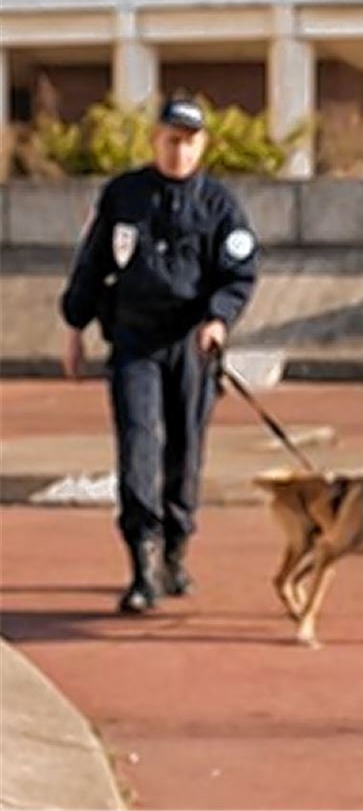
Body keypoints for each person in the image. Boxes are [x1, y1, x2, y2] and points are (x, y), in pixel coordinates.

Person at [60, 96, 259, 615]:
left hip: (191, 344)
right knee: (139, 448)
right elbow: (92, 263)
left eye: (190, 140)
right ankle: (141, 565)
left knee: (185, 452)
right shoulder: (124, 195)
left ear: (203, 145)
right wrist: (74, 326)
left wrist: (219, 317)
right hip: (134, 343)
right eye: (172, 138)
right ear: (155, 139)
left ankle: (176, 550)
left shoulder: (219, 205)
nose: (180, 149)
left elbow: (239, 272)